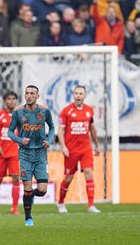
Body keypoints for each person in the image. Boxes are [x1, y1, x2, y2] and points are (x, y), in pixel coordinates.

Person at [7, 85, 55, 226]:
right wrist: (20, 140)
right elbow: (10, 132)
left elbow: (52, 127)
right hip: (25, 154)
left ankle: (28, 196)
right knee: (26, 186)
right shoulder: (18, 112)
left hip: (40, 153)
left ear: (37, 96)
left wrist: (49, 140)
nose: (29, 96)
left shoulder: (45, 111)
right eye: (27, 93)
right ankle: (28, 218)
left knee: (42, 190)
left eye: (32, 93)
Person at [57, 85, 101, 214]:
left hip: (86, 148)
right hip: (71, 150)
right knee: (69, 178)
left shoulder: (89, 110)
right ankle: (60, 202)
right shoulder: (66, 111)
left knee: (89, 172)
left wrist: (97, 145)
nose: (78, 96)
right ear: (73, 95)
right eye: (76, 93)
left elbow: (92, 129)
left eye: (81, 93)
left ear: (85, 96)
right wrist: (63, 146)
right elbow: (61, 130)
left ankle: (91, 205)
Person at [0, 91, 20, 215]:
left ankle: (14, 208)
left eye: (14, 98)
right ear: (5, 101)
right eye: (9, 99)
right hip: (1, 153)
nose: (11, 101)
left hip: (14, 152)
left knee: (16, 178)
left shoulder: (20, 116)